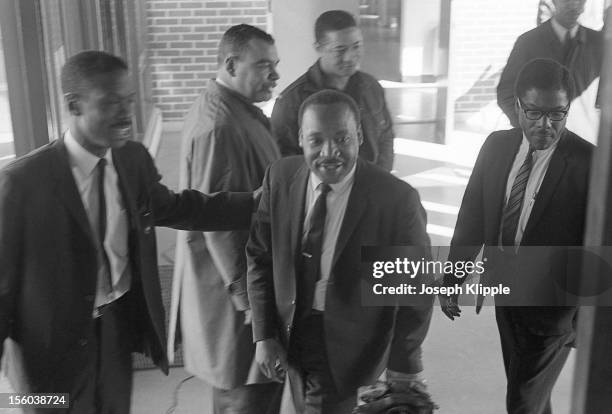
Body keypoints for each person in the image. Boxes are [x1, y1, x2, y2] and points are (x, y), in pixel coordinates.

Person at [0, 50, 257, 413]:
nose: (126, 114)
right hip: (47, 355)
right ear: (74, 105)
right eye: (111, 103)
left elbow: (181, 207)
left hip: (114, 333)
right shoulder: (21, 184)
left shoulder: (131, 159)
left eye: (129, 101)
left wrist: (260, 203)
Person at [247, 89, 432, 413]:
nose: (330, 152)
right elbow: (260, 258)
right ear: (300, 138)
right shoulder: (281, 177)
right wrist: (264, 334)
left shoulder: (395, 200)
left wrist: (404, 361)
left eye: (342, 138)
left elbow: (414, 289)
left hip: (350, 344)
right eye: (316, 140)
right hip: (291, 330)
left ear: (359, 137)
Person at [442, 58, 593, 414]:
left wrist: (582, 319)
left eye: (557, 113)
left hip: (553, 311)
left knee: (522, 402)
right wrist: (453, 277)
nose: (545, 125)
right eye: (534, 112)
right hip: (506, 295)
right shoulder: (495, 148)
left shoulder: (588, 163)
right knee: (530, 394)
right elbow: (473, 218)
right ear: (516, 106)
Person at [167, 24, 282, 414]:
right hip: (240, 302)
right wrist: (253, 306)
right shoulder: (222, 126)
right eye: (264, 65)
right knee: (247, 396)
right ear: (231, 64)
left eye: (276, 65)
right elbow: (220, 224)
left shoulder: (237, 110)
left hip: (252, 289)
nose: (275, 75)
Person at [271, 10, 395, 171]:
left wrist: (381, 178)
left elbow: (385, 136)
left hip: (372, 186)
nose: (350, 57)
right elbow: (286, 159)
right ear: (318, 48)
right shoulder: (292, 101)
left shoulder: (371, 87)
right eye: (340, 50)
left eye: (356, 47)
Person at [497, 0, 603, 143]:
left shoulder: (599, 44)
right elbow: (506, 92)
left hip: (584, 141)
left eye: (581, 0)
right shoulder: (528, 42)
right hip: (539, 144)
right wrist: (528, 126)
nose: (575, 5)